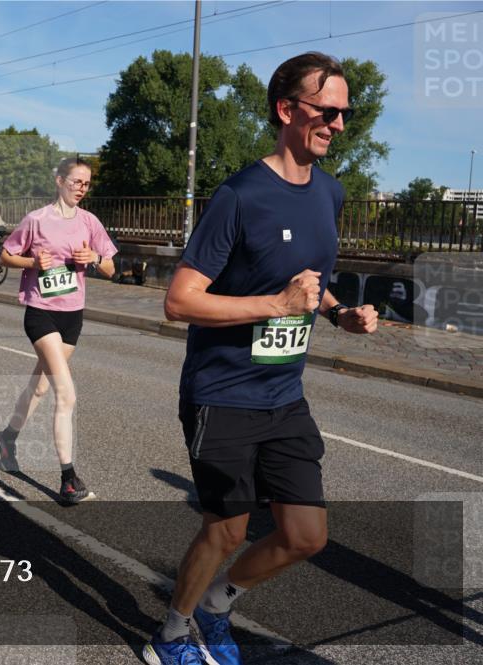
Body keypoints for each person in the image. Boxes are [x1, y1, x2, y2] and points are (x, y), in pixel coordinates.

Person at [143, 53, 379, 665]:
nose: (340, 124)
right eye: (328, 111)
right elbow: (179, 301)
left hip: (283, 396)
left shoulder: (330, 192)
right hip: (222, 395)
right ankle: (170, 633)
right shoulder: (240, 195)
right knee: (225, 529)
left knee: (306, 535)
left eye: (346, 113)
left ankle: (218, 604)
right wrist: (277, 304)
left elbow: (309, 279)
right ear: (287, 110)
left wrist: (335, 313)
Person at [0, 157, 116, 504]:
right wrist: (32, 262)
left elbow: (110, 268)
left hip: (72, 315)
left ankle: (6, 437)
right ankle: (68, 479)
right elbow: (5, 255)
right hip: (41, 313)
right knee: (67, 394)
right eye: (77, 181)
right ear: (59, 181)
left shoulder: (90, 222)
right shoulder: (37, 220)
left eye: (87, 184)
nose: (82, 188)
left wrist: (92, 258)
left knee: (42, 386)